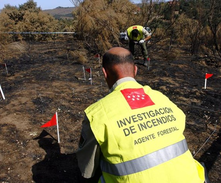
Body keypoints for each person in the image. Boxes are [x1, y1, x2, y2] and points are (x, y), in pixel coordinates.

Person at [76, 47, 205, 183]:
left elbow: (87, 170)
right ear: (135, 70)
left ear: (104, 73)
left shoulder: (97, 114)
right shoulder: (162, 99)